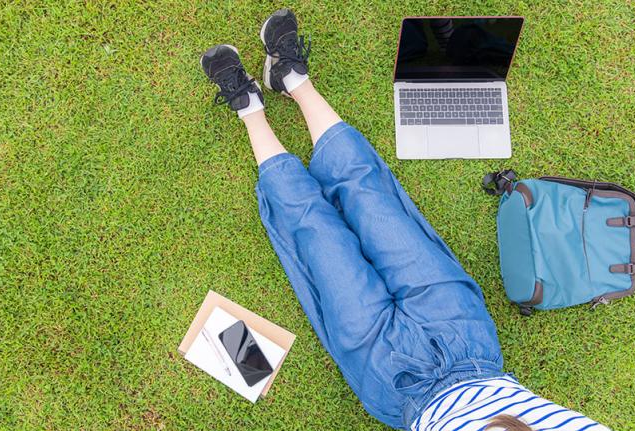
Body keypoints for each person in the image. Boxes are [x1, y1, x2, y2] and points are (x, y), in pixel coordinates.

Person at [200, 9, 611, 431]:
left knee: (316, 240)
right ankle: (292, 80)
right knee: (374, 203)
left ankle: (249, 108)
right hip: (466, 344)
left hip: (394, 385)